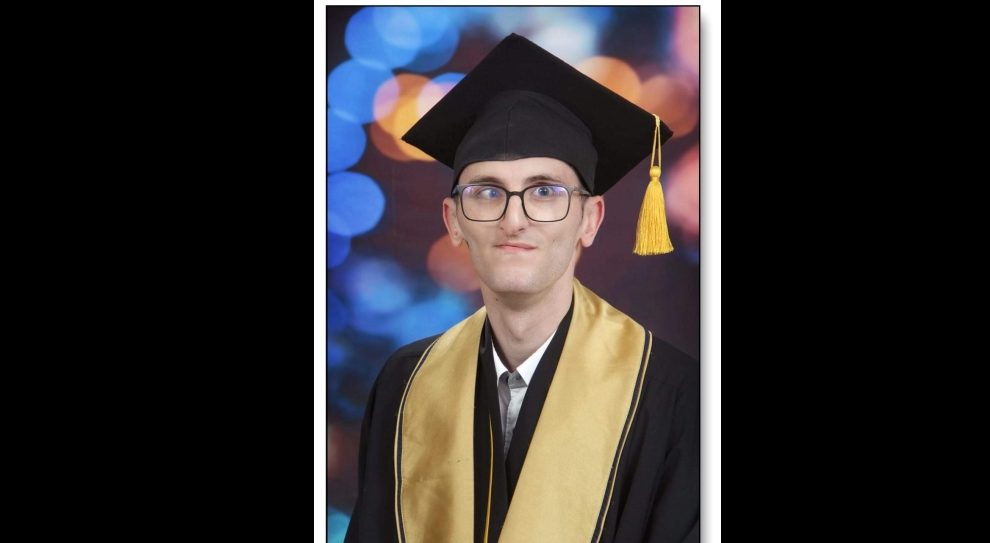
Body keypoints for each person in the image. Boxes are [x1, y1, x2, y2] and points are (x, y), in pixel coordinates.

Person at [344, 34, 699, 543]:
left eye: (545, 191)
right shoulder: (404, 385)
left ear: (590, 219)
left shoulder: (674, 394)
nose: (514, 219)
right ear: (453, 221)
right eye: (487, 192)